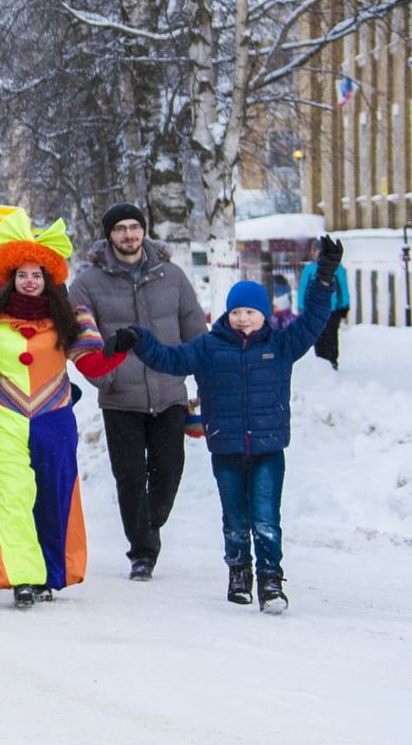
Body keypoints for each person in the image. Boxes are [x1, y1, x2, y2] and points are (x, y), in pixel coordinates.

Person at [111, 235, 343, 614]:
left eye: (250, 312)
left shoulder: (282, 345)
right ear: (227, 314)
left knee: (267, 519)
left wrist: (323, 277)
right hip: (227, 448)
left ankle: (270, 580)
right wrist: (141, 341)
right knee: (235, 519)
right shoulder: (208, 347)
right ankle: (239, 573)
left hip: (268, 449)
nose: (243, 318)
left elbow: (315, 320)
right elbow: (171, 360)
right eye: (236, 312)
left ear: (264, 315)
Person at [0, 213, 122, 608]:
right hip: (4, 414)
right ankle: (24, 577)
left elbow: (92, 366)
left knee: (53, 495)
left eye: (37, 275)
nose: (30, 281)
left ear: (50, 278)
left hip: (54, 416)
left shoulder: (72, 317)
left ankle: (52, 572)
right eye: (23, 275)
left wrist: (120, 348)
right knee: (13, 495)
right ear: (12, 277)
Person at [68, 201, 206, 581]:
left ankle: (152, 521)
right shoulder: (87, 283)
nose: (128, 234)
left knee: (169, 469)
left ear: (143, 231)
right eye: (120, 229)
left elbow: (195, 330)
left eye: (134, 227)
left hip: (169, 391)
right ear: (109, 235)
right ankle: (142, 551)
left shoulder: (172, 276)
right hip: (120, 396)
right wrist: (105, 378)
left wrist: (203, 378)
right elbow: (78, 340)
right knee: (129, 475)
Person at [296, 243, 350, 371]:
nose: (318, 253)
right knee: (318, 336)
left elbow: (343, 286)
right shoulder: (310, 269)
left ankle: (332, 360)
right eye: (316, 250)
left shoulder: (337, 268)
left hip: (332, 309)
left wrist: (344, 305)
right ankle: (320, 360)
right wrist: (301, 306)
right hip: (314, 309)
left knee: (331, 335)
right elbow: (303, 287)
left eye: (320, 250)